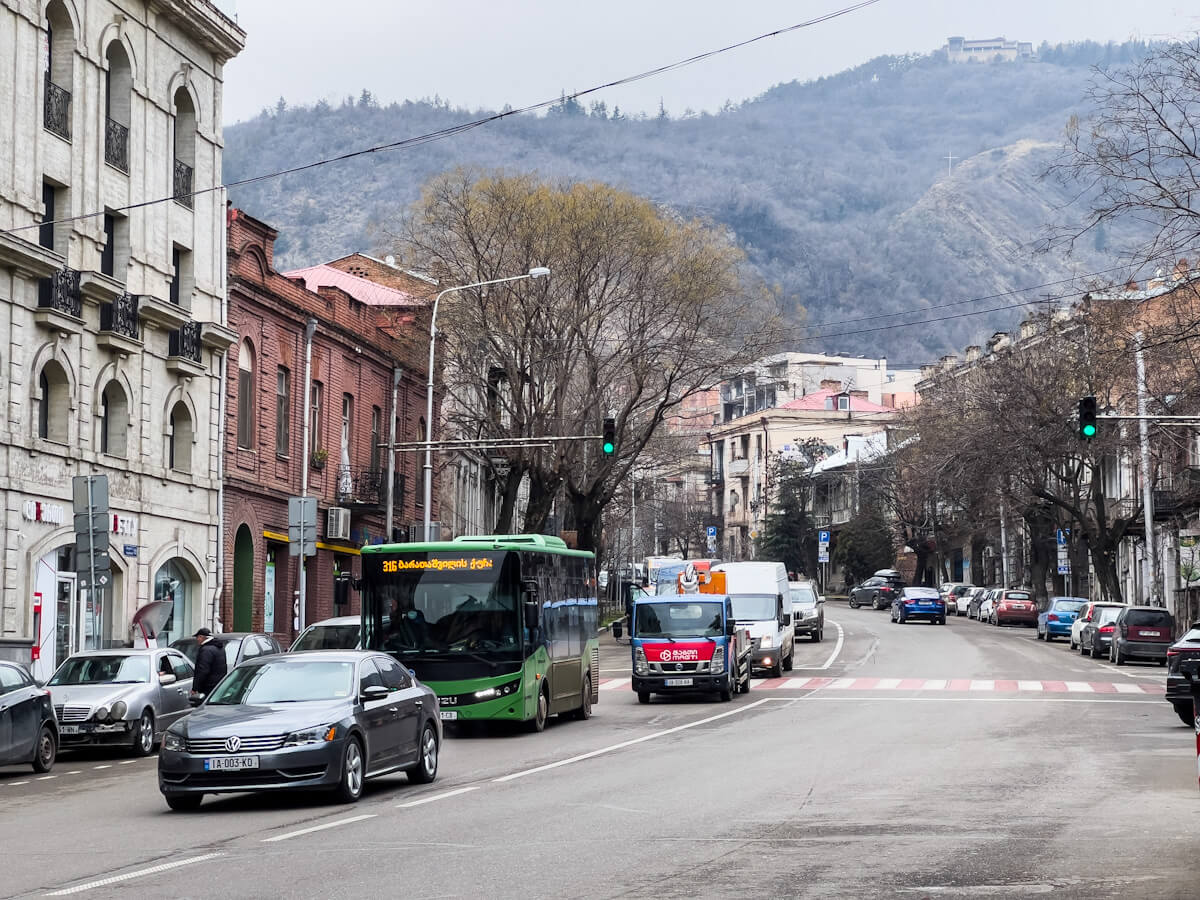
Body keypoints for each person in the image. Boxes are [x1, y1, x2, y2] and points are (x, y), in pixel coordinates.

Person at [191, 627, 227, 699]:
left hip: (208, 686)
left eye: (197, 637)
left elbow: (202, 670)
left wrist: (195, 688)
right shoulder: (220, 648)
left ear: (201, 637)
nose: (197, 640)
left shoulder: (206, 650)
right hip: (219, 684)